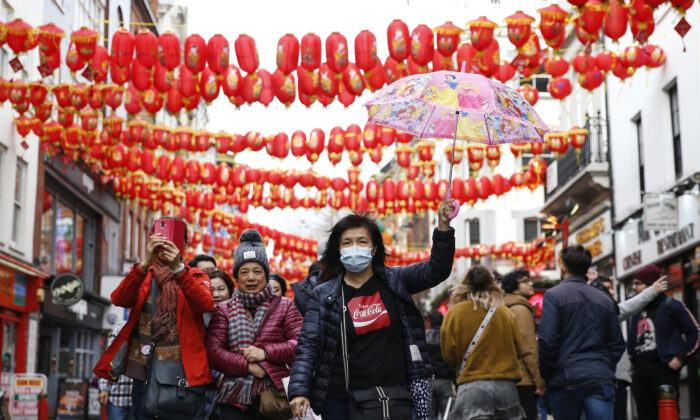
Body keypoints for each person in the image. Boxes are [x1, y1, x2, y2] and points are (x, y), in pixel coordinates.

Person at [289, 200, 456, 420]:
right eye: (347, 242)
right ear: (338, 250)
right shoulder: (323, 294)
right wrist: (299, 390)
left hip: (393, 398)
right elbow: (308, 345)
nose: (355, 247)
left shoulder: (396, 280)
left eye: (362, 241)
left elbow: (436, 270)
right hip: (341, 401)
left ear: (374, 248)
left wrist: (443, 227)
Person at [94, 219, 215, 420]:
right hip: (145, 371)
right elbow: (119, 299)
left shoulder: (195, 275)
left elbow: (205, 304)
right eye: (159, 241)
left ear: (183, 246)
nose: (165, 246)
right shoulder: (144, 274)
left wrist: (178, 269)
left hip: (182, 373)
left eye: (172, 242)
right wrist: (144, 263)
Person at [206, 229, 304, 419]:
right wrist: (247, 366)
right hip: (232, 399)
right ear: (237, 277)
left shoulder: (285, 306)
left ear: (266, 275)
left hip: (273, 396)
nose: (251, 277)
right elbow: (214, 352)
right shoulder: (224, 309)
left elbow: (300, 344)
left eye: (257, 271)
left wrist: (266, 353)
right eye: (244, 272)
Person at [538, 246, 625, 420]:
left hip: (565, 379)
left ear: (563, 268)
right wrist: (604, 365)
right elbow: (617, 343)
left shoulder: (554, 295)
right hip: (600, 377)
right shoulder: (605, 300)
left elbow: (548, 340)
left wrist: (547, 374)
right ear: (587, 269)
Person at [441, 266, 525, 420]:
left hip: (472, 388)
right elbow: (519, 349)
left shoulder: (454, 314)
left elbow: (448, 355)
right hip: (505, 388)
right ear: (492, 285)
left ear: (464, 286)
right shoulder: (505, 313)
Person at [590, 273, 669, 420]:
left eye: (612, 288)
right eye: (607, 288)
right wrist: (652, 290)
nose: (612, 292)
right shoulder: (602, 312)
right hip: (609, 378)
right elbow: (626, 308)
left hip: (616, 378)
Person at [627, 264, 700, 420]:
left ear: (652, 284)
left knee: (668, 415)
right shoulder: (636, 310)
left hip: (664, 372)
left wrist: (681, 358)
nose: (634, 288)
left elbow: (695, 333)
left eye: (638, 283)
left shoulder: (671, 305)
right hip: (640, 375)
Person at [501, 269, 545, 420]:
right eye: (525, 281)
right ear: (514, 288)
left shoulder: (505, 308)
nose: (530, 284)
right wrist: (539, 381)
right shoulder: (520, 310)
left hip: (508, 378)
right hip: (524, 378)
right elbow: (528, 348)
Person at [204, 270, 236, 419]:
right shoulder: (199, 319)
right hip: (206, 389)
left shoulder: (240, 317)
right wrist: (217, 375)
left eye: (221, 289)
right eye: (211, 290)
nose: (216, 294)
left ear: (230, 290)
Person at [98, 321, 133, 420]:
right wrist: (104, 388)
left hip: (141, 397)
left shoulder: (150, 328)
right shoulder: (119, 329)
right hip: (118, 395)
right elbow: (109, 359)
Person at [426, 311, 455, 420]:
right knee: (448, 414)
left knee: (429, 414)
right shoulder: (446, 336)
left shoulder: (425, 336)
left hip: (429, 380)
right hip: (445, 381)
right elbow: (451, 360)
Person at [290, 238, 327, 315]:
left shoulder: (350, 285)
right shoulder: (302, 293)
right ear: (319, 263)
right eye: (326, 261)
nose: (333, 265)